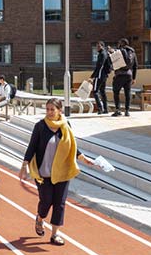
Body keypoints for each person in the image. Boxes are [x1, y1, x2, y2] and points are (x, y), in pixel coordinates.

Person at [18, 98, 94, 245]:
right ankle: (40, 218)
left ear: (60, 110)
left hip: (62, 172)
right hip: (44, 172)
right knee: (46, 201)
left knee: (60, 203)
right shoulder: (40, 126)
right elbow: (32, 146)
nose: (49, 112)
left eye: (52, 109)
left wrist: (83, 158)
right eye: (47, 109)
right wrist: (24, 165)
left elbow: (72, 145)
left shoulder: (65, 125)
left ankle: (55, 234)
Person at [111, 39, 138, 117]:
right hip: (129, 75)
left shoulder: (119, 51)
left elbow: (114, 62)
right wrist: (134, 78)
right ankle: (127, 111)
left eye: (119, 43)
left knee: (116, 92)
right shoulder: (133, 52)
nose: (118, 44)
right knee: (127, 93)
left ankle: (118, 110)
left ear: (122, 43)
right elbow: (135, 66)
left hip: (119, 75)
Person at [90, 41, 112, 115]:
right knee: (102, 91)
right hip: (104, 75)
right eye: (96, 46)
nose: (97, 48)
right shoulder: (105, 53)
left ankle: (100, 108)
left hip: (99, 75)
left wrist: (93, 76)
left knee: (95, 91)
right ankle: (105, 109)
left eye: (99, 46)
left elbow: (100, 66)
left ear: (102, 46)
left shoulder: (102, 54)